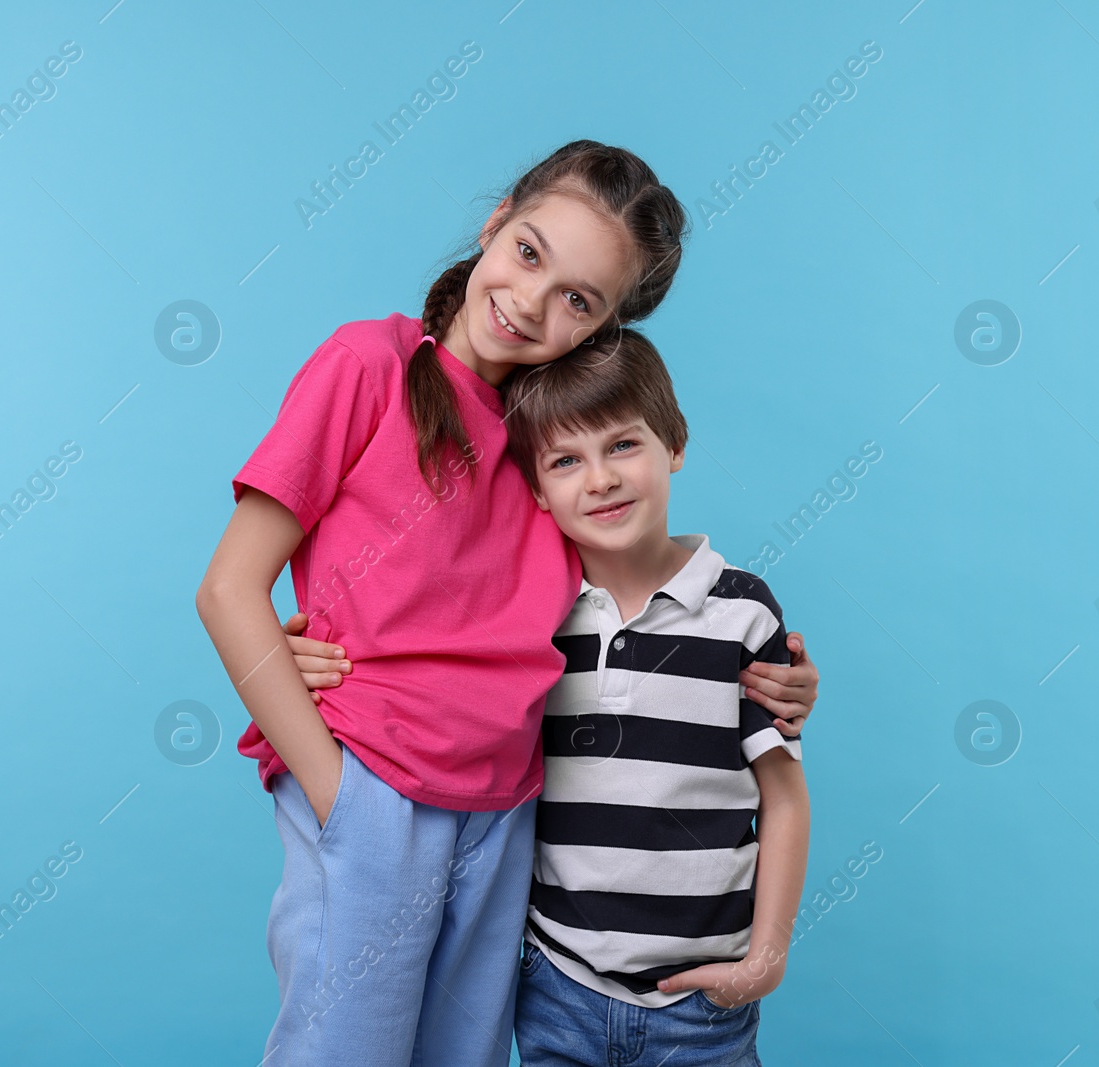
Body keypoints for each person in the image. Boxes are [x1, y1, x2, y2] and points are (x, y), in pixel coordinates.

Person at [196, 140, 819, 1067]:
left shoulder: (548, 446)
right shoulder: (369, 364)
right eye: (530, 252)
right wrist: (339, 794)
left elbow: (635, 587)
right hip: (376, 794)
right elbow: (227, 588)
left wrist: (768, 662)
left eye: (579, 299)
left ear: (602, 332)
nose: (532, 301)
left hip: (508, 816)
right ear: (495, 224)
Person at [291, 329, 811, 1066]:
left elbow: (784, 795)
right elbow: (425, 660)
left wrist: (765, 959)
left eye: (623, 445)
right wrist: (292, 649)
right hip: (557, 989)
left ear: (676, 444)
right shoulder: (532, 617)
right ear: (536, 487)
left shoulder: (744, 614)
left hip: (701, 1008)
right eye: (566, 461)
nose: (599, 479)